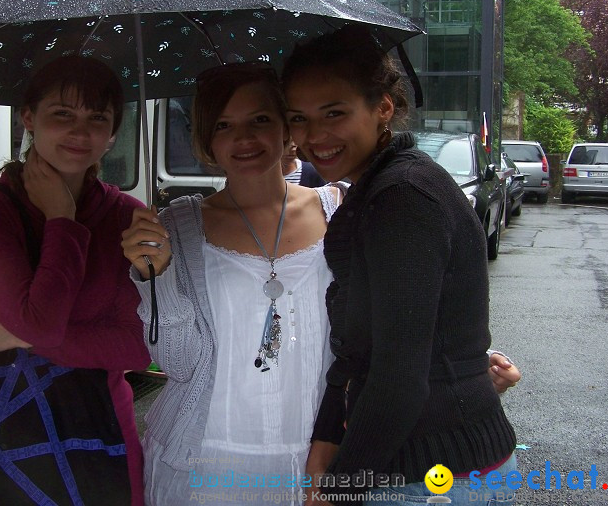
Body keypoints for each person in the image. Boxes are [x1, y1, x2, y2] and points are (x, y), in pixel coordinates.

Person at [121, 62, 520, 505]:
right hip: (209, 465)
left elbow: (390, 321)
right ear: (206, 138)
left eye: (260, 120)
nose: (245, 138)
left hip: (324, 451)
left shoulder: (345, 209)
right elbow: (177, 364)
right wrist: (156, 277)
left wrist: (466, 367)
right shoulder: (175, 228)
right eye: (223, 125)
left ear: (286, 127)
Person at [281, 25, 518, 505]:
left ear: (383, 108)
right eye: (299, 119)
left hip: (430, 479)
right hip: (440, 465)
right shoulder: (378, 190)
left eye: (335, 113)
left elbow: (398, 376)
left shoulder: (402, 197)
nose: (314, 136)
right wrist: (328, 437)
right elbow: (360, 351)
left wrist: (340, 487)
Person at [0, 55, 152, 504]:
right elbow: (41, 323)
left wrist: (14, 335)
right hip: (3, 426)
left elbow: (138, 347)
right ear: (29, 119)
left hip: (100, 424)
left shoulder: (128, 217)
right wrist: (62, 218)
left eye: (97, 118)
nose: (80, 133)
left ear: (113, 132)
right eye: (62, 115)